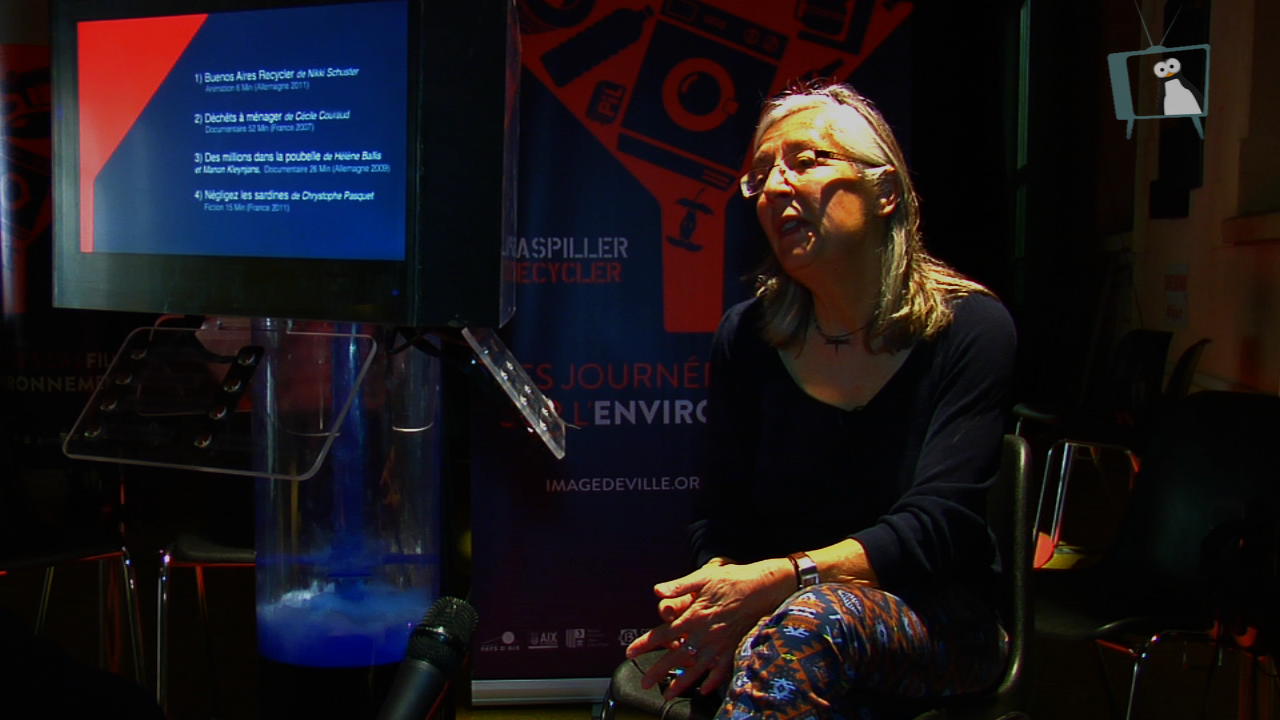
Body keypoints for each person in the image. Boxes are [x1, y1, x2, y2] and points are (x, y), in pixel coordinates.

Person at [624, 80, 1017, 719]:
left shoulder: (970, 327)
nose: (776, 187)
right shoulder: (746, 337)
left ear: (885, 192)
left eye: (806, 161)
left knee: (811, 624)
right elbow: (719, 514)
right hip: (781, 612)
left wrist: (779, 582)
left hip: (941, 616)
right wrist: (723, 594)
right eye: (760, 176)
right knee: (753, 637)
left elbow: (939, 526)